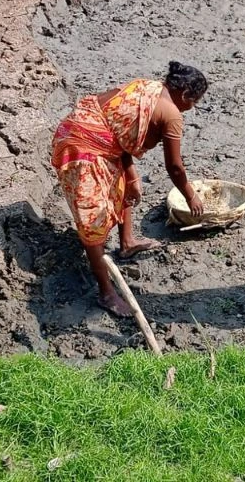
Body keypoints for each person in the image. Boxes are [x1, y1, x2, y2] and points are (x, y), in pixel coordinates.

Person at [51, 62, 207, 317]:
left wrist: (132, 176)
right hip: (82, 147)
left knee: (124, 187)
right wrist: (190, 195)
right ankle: (106, 293)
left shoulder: (147, 88)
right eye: (194, 101)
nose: (193, 107)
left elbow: (118, 134)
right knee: (93, 220)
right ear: (185, 95)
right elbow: (175, 167)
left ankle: (127, 242)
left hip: (92, 133)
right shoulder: (172, 116)